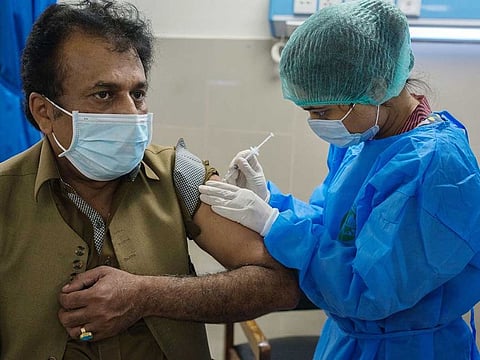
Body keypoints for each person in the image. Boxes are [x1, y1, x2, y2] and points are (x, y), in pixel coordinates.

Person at [0, 1, 300, 359]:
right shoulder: (5, 195)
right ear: (44, 112)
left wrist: (146, 295)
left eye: (138, 94)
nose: (131, 114)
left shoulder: (180, 175)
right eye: (104, 94)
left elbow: (277, 284)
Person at [199, 0, 480, 359]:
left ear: (378, 87)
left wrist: (272, 224)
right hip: (348, 341)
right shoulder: (365, 141)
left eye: (322, 110)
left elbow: (367, 290)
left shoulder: (436, 168)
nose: (315, 121)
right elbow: (333, 229)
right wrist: (270, 201)